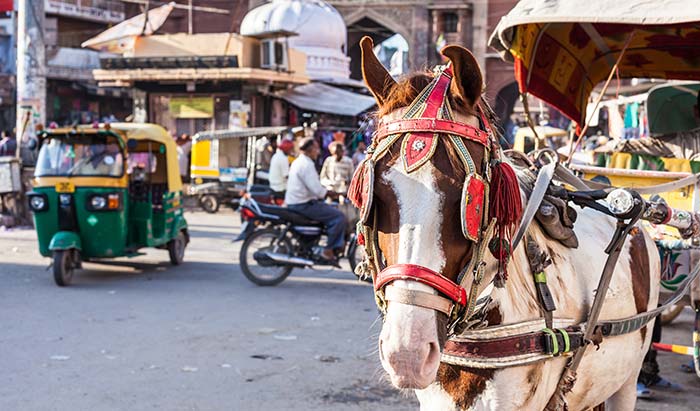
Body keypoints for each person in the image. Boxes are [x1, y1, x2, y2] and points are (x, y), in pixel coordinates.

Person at [286, 137, 346, 262]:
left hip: (298, 202)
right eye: (317, 149)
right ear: (311, 149)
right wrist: (332, 194)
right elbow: (318, 191)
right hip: (303, 204)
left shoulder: (299, 162)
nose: (318, 152)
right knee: (338, 217)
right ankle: (328, 250)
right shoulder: (306, 164)